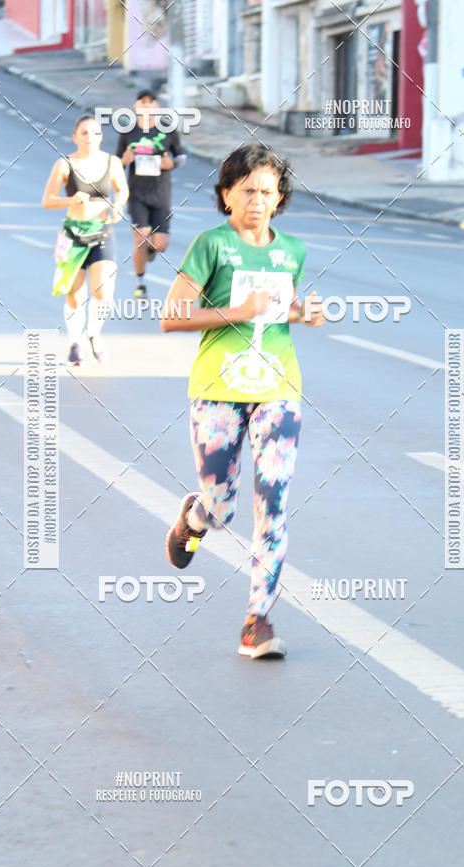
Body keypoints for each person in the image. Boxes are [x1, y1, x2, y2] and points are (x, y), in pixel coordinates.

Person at [161, 144, 324, 659]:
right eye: (247, 190)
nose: (257, 200)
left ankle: (258, 620)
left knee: (272, 503)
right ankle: (195, 518)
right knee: (223, 505)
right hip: (217, 390)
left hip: (278, 389)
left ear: (280, 199)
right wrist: (236, 310)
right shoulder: (211, 246)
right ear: (227, 194)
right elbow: (172, 315)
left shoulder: (292, 250)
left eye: (267, 191)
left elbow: (277, 311)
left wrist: (305, 312)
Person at [42, 114, 128, 364]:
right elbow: (47, 200)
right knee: (74, 293)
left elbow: (122, 190)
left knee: (103, 290)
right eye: (84, 133)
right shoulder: (64, 164)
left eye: (95, 133)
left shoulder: (112, 162)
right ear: (75, 137)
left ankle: (94, 333)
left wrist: (118, 205)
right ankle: (75, 341)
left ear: (101, 137)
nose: (90, 137)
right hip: (73, 234)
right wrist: (71, 199)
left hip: (102, 232)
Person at [116, 91, 186, 301]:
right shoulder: (128, 131)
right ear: (136, 106)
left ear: (157, 106)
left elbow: (181, 156)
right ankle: (140, 284)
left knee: (160, 244)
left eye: (151, 102)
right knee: (141, 236)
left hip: (161, 194)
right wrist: (124, 160)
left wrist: (171, 164)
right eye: (142, 102)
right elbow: (117, 160)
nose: (146, 106)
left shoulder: (167, 130)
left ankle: (151, 250)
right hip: (137, 193)